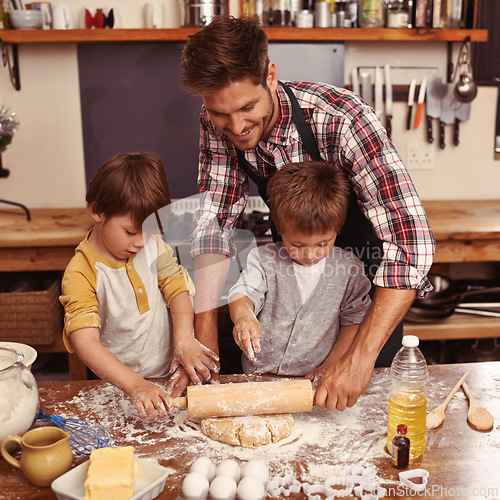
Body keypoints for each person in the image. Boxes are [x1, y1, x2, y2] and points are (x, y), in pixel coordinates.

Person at [180, 16, 435, 411]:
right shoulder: (219, 122)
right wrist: (204, 333)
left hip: (366, 275)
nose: (236, 126)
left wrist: (361, 357)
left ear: (270, 75)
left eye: (247, 107)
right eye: (219, 114)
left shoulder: (342, 119)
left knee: (356, 416)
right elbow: (214, 225)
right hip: (291, 265)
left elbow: (409, 244)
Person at [59, 153, 218, 421]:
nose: (142, 243)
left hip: (168, 377)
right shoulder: (81, 271)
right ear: (98, 211)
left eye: (151, 231)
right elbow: (85, 343)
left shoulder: (153, 247)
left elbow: (177, 289)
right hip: (119, 387)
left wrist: (184, 340)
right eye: (131, 232)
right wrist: (136, 385)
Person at [229, 161, 372, 381]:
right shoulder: (263, 259)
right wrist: (243, 317)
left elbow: (353, 322)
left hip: (314, 378)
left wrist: (331, 365)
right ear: (279, 229)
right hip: (259, 376)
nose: (310, 255)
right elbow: (243, 294)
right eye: (297, 245)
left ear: (337, 229)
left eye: (323, 244)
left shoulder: (349, 269)